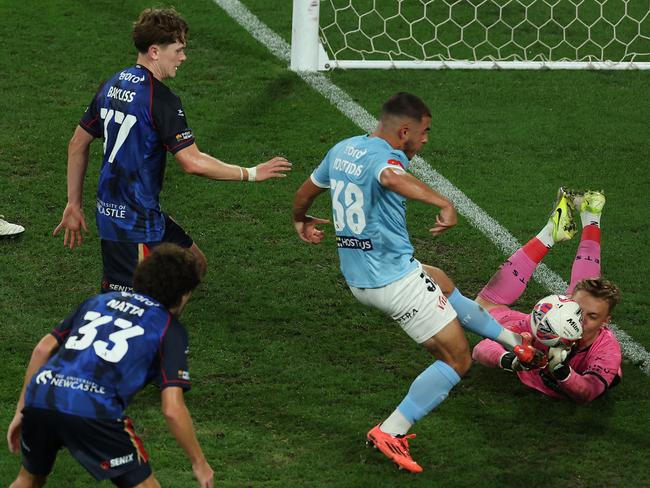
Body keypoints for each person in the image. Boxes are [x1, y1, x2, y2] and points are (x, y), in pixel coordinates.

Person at [292, 92, 544, 473]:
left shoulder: (342, 149)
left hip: (363, 275)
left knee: (440, 280)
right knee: (457, 358)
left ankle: (514, 344)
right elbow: (392, 177)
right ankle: (391, 429)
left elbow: (306, 191)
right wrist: (444, 202)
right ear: (404, 130)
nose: (426, 140)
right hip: (393, 283)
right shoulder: (386, 160)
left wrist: (300, 219)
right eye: (424, 132)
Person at [53, 7, 291, 293]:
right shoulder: (161, 99)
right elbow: (192, 162)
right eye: (178, 50)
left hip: (130, 212)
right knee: (130, 305)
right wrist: (250, 173)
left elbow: (77, 143)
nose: (183, 57)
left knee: (193, 264)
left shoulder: (111, 85)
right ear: (155, 51)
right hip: (133, 224)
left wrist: (74, 203)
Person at [6, 244, 213, 487]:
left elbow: (43, 349)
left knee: (28, 480)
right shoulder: (169, 329)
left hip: (43, 397)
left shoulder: (98, 301)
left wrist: (23, 408)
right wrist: (199, 462)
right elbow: (171, 407)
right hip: (93, 409)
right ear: (182, 294)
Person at [472, 189, 622, 403]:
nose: (579, 320)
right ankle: (586, 217)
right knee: (480, 313)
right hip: (546, 322)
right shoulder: (550, 321)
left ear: (606, 322)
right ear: (566, 304)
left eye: (593, 316)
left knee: (481, 309)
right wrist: (513, 357)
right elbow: (481, 349)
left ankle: (569, 224)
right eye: (576, 310)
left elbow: (589, 391)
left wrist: (561, 371)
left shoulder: (607, 349)